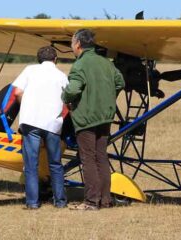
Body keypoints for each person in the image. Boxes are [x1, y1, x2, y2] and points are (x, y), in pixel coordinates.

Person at [62, 29, 125, 211]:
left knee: (87, 158)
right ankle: (105, 200)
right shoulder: (106, 63)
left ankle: (91, 202)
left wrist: (64, 96)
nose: (72, 46)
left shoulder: (80, 65)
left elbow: (72, 90)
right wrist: (108, 97)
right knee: (101, 157)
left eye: (72, 43)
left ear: (78, 44)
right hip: (105, 117)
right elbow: (120, 82)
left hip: (86, 118)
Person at [13, 46, 69, 209]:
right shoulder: (61, 75)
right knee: (55, 164)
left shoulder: (29, 70)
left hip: (30, 123)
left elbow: (17, 92)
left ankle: (32, 203)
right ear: (55, 59)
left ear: (39, 59)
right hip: (53, 124)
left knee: (31, 165)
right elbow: (67, 99)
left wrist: (26, 106)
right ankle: (60, 201)